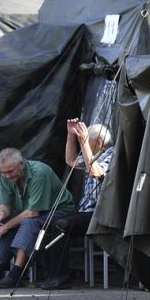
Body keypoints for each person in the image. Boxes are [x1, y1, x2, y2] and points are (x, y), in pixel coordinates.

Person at [0, 148, 75, 289]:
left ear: (21, 164)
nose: (7, 176)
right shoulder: (7, 176)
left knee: (28, 223)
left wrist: (6, 227)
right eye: (4, 172)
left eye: (10, 171)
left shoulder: (39, 172)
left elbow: (33, 212)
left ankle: (16, 274)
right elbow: (5, 205)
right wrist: (1, 215)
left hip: (58, 210)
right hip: (30, 211)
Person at [40, 120, 114, 290]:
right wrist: (71, 135)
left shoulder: (112, 154)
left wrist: (84, 142)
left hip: (100, 213)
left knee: (60, 226)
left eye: (87, 142)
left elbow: (95, 171)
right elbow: (70, 160)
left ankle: (61, 277)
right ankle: (51, 274)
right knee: (48, 224)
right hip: (86, 212)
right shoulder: (93, 154)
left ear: (99, 143)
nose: (84, 145)